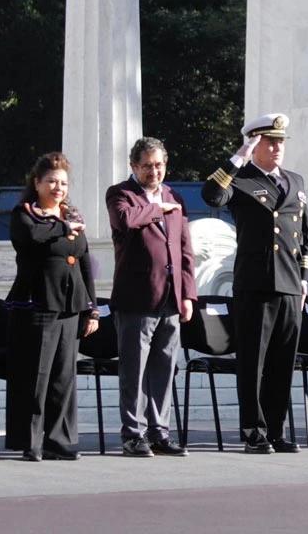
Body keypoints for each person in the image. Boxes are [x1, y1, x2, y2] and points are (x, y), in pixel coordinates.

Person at [201, 113, 308, 454]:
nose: (277, 147)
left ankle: (276, 429)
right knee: (254, 363)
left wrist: (305, 278)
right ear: (254, 143)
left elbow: (306, 233)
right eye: (269, 141)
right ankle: (254, 430)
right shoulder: (240, 179)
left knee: (282, 362)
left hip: (291, 285)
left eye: (280, 141)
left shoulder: (294, 180)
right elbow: (211, 196)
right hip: (256, 283)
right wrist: (238, 157)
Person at [107, 137, 197, 458]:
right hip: (137, 299)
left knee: (165, 368)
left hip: (171, 298)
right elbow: (125, 221)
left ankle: (160, 431)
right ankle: (133, 433)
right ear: (133, 166)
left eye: (158, 165)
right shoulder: (121, 194)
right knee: (134, 370)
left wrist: (188, 294)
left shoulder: (175, 196)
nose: (154, 172)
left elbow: (185, 249)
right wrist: (157, 208)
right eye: (147, 166)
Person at [5, 152, 98, 461]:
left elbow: (84, 262)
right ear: (37, 183)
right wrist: (63, 227)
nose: (58, 188)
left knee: (63, 377)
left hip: (70, 305)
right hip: (37, 304)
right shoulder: (25, 213)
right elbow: (33, 237)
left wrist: (91, 308)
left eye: (63, 183)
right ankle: (30, 441)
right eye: (52, 182)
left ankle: (60, 441)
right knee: (36, 376)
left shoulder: (71, 214)